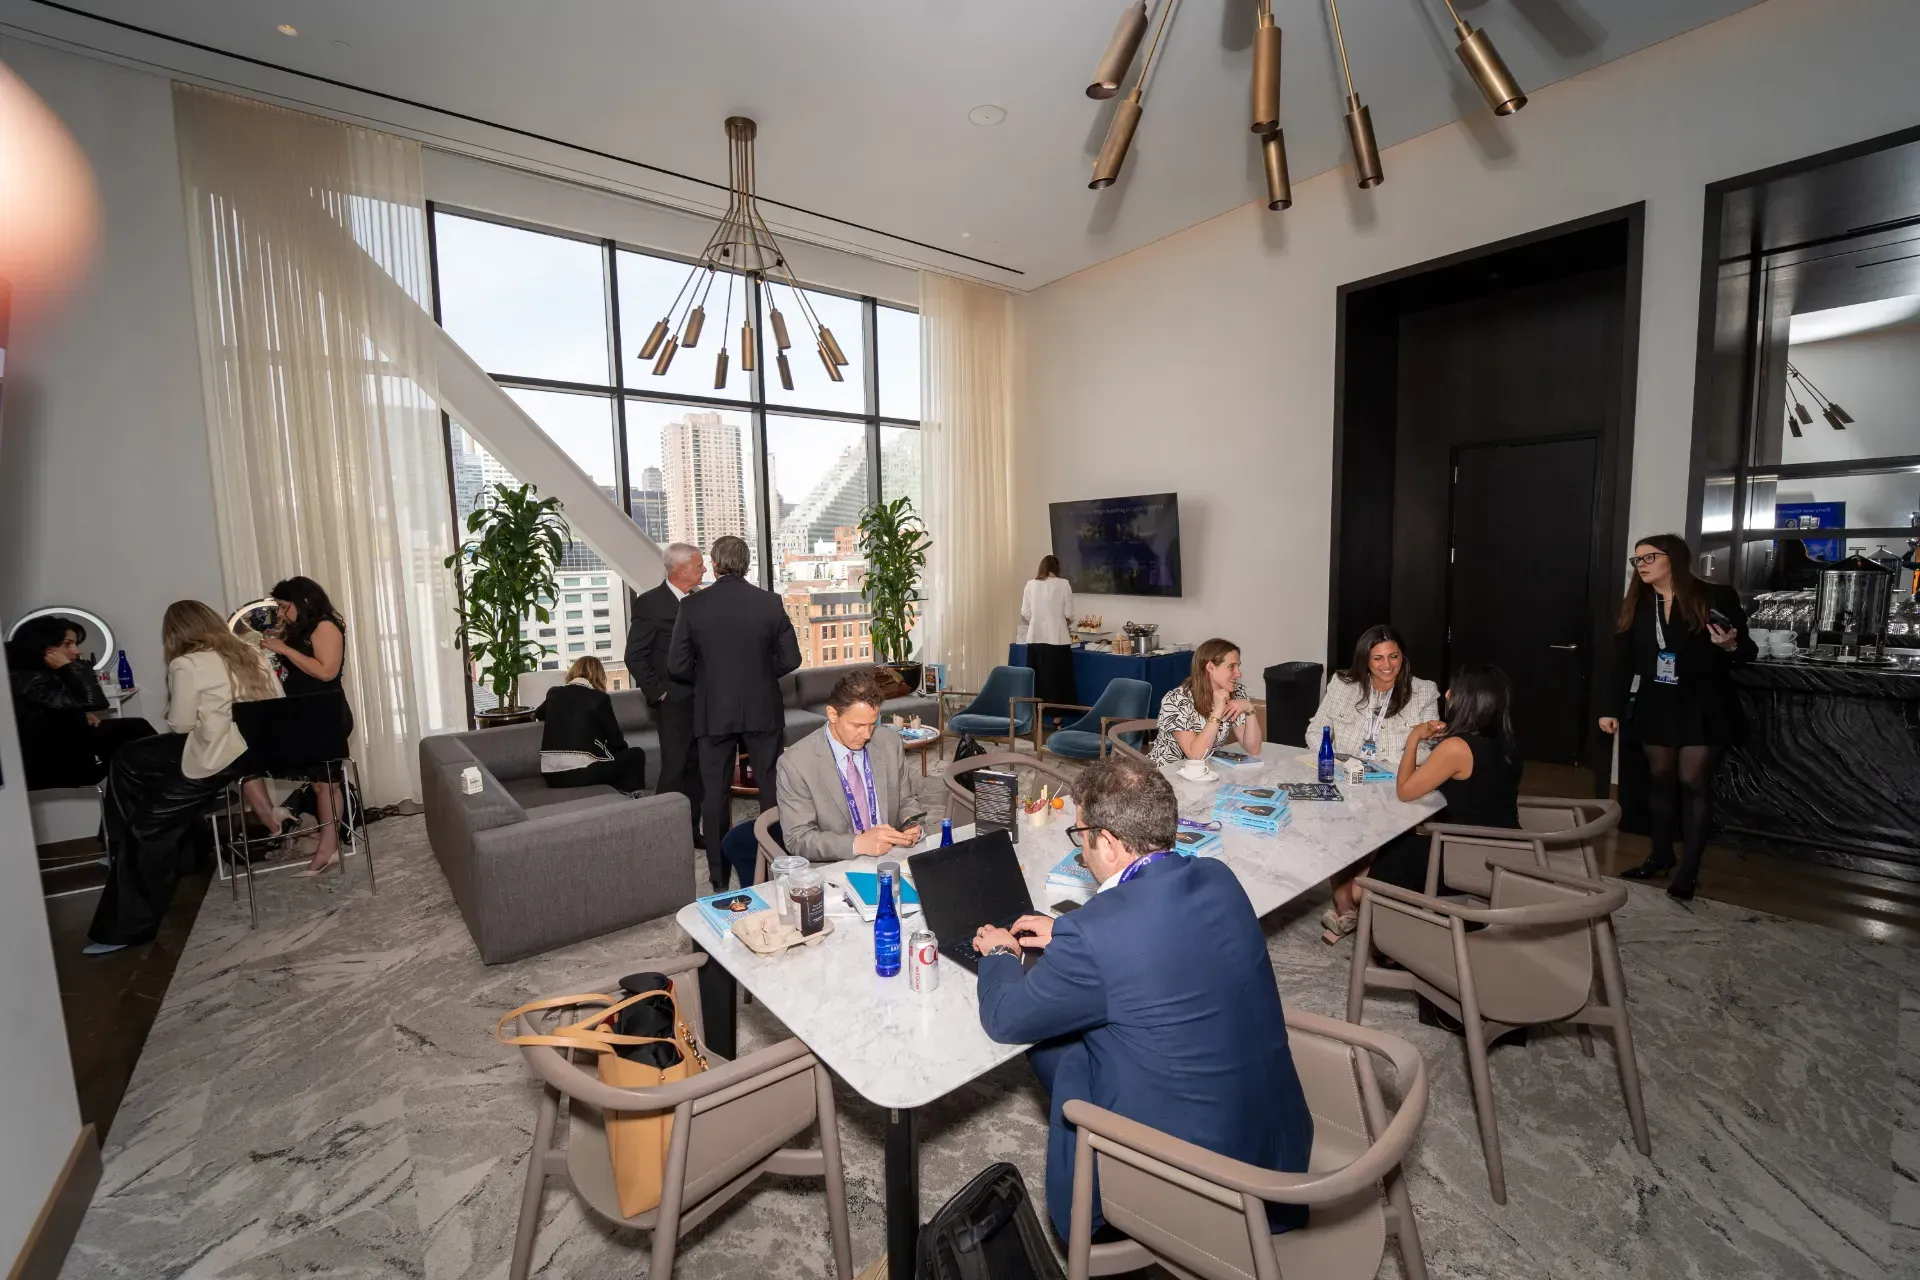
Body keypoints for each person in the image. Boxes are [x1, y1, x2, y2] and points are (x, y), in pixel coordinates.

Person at [971, 754, 1314, 1241]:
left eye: (1080, 836)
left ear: (1107, 844)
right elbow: (1154, 939)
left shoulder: (1095, 937)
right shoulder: (1220, 877)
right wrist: (1067, 931)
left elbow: (1005, 1018)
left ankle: (1093, 1203)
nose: (1082, 850)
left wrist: (1001, 953)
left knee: (1053, 1042)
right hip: (1277, 1149)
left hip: (1194, 1185)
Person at [87, 601, 282, 953]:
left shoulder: (186, 663)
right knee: (130, 757)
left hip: (218, 757)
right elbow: (277, 705)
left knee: (146, 829)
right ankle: (156, 850)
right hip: (254, 749)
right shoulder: (252, 653)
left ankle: (127, 928)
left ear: (174, 634)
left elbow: (179, 724)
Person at [1600, 534, 1755, 901]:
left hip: (1704, 702)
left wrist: (1728, 644)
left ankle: (1689, 870)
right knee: (1660, 778)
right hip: (1656, 699)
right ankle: (1661, 853)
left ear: (1676, 559)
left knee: (1692, 779)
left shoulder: (1715, 597)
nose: (1642, 564)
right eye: (1637, 559)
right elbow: (1622, 663)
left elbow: (1745, 651)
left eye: (1650, 557)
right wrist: (1610, 707)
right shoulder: (1637, 603)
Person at [669, 535, 802, 890]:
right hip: (762, 707)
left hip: (713, 710)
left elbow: (677, 664)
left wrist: (712, 679)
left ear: (714, 564)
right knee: (771, 787)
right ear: (747, 564)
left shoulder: (692, 607)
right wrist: (759, 675)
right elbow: (792, 659)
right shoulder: (769, 602)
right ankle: (777, 866)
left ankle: (718, 877)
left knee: (714, 795)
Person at [1310, 625, 1441, 935]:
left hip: (1394, 783)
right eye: (1377, 658)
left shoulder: (1423, 691)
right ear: (1364, 661)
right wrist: (1342, 762)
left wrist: (1383, 765)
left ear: (1403, 657)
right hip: (1347, 778)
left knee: (1378, 832)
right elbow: (1315, 732)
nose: (1386, 665)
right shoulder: (1343, 685)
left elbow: (1427, 748)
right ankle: (1347, 905)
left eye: (1393, 656)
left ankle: (1351, 900)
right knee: (1335, 825)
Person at [240, 576, 353, 875]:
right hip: (302, 713)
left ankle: (328, 849)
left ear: (301, 602)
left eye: (282, 606)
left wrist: (286, 651)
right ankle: (322, 843)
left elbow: (327, 672)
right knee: (318, 783)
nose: (279, 612)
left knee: (327, 783)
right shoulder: (298, 629)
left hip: (324, 713)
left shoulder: (325, 626)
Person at [7, 613, 155, 789]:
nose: (76, 651)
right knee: (137, 749)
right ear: (45, 648)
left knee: (136, 732)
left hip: (61, 748)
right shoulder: (29, 679)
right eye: (68, 644)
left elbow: (52, 708)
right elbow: (96, 701)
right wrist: (67, 667)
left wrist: (78, 713)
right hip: (54, 764)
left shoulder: (33, 674)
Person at [625, 542, 705, 846]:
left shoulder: (698, 601)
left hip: (701, 700)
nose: (704, 570)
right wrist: (658, 693)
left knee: (696, 769)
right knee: (674, 769)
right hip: (673, 703)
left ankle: (691, 832)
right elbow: (634, 656)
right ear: (681, 569)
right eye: (699, 566)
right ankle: (661, 836)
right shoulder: (650, 603)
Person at [534, 656, 647, 794]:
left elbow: (539, 714)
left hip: (551, 777)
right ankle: (634, 799)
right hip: (580, 774)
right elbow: (616, 742)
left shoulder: (554, 693)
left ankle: (619, 795)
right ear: (599, 676)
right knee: (636, 755)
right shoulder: (598, 698)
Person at [1147, 636, 1263, 764]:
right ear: (1210, 668)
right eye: (1232, 666)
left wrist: (1249, 709)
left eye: (1238, 666)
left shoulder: (1236, 693)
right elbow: (1196, 756)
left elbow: (1253, 749)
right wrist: (1217, 711)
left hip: (1205, 771)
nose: (1239, 674)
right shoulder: (1177, 700)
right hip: (1166, 774)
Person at [1020, 554, 1076, 707]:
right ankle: (1057, 718)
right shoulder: (1064, 584)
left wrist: (1038, 618)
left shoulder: (1030, 584)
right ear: (1057, 569)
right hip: (1057, 639)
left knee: (1037, 680)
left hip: (1035, 639)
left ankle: (1035, 714)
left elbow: (1025, 611)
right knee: (1058, 681)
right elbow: (1069, 613)